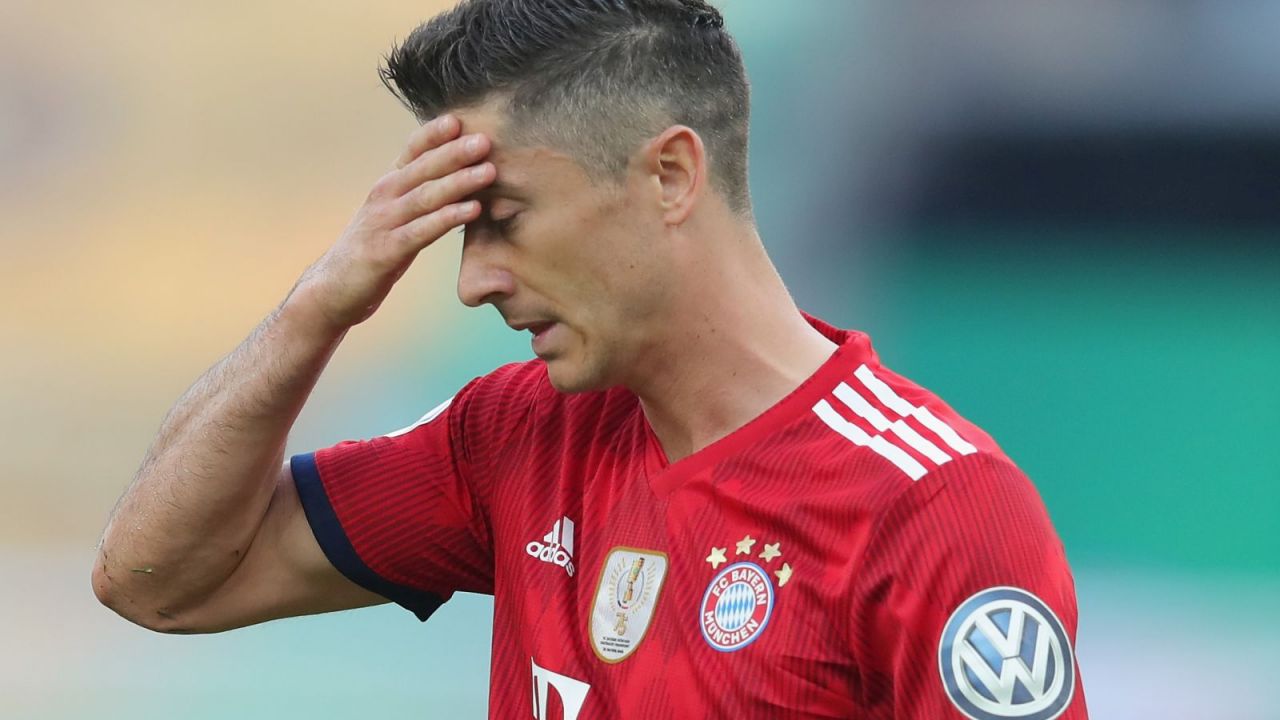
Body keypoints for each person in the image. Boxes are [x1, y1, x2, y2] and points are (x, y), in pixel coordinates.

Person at [93, 1, 1089, 717]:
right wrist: (317, 309)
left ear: (670, 174)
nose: (473, 281)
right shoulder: (515, 432)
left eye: (502, 219)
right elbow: (158, 582)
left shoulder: (931, 509)